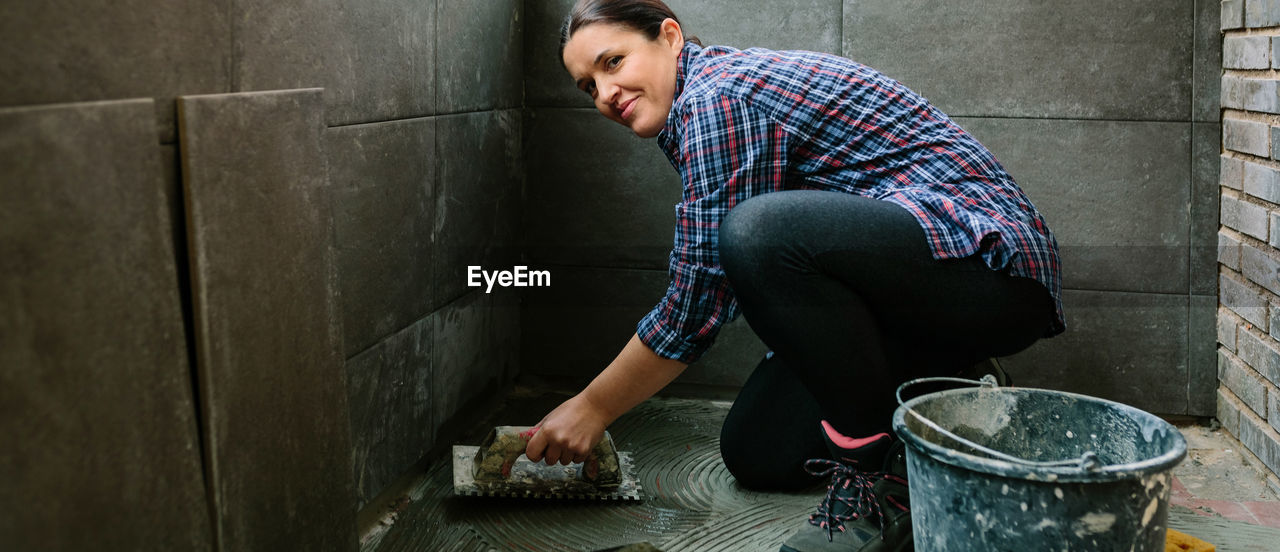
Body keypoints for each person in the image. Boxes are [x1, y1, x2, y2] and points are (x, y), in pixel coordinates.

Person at [524, 1, 1065, 550]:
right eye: (588, 86)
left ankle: (883, 485)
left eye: (612, 62)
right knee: (758, 451)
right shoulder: (698, 104)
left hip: (991, 273)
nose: (605, 93)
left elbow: (699, 299)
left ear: (669, 37)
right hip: (911, 293)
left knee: (756, 232)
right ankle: (950, 378)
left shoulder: (718, 98)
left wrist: (592, 407)